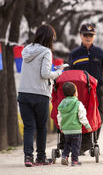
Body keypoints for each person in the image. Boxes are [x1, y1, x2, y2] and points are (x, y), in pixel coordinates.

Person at [17, 24, 64, 167]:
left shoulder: (26, 50)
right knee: (41, 127)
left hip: (24, 93)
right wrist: (58, 72)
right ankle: (41, 157)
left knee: (28, 127)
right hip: (40, 94)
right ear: (50, 38)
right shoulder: (46, 52)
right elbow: (44, 74)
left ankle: (28, 157)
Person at [68, 23, 103, 151]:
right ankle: (80, 144)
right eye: (85, 35)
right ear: (80, 36)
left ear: (94, 36)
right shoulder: (75, 53)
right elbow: (69, 72)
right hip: (78, 92)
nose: (88, 37)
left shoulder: (99, 52)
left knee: (96, 115)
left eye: (91, 35)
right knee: (78, 115)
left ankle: (92, 141)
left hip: (96, 90)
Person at [57, 82, 93, 166]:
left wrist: (61, 126)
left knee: (67, 144)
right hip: (76, 130)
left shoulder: (62, 104)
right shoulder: (78, 104)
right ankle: (74, 160)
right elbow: (82, 116)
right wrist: (87, 126)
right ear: (75, 93)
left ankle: (65, 156)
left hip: (66, 130)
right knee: (75, 146)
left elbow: (59, 116)